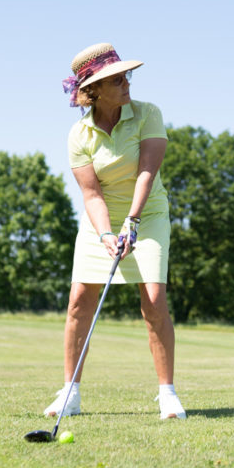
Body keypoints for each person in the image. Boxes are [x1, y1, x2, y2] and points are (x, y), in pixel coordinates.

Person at [43, 42, 185, 420]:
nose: (127, 84)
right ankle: (70, 394)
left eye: (126, 76)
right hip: (100, 222)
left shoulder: (148, 114)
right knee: (78, 303)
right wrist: (107, 234)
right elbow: (91, 195)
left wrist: (132, 222)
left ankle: (167, 395)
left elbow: (147, 172)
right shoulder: (79, 134)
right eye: (117, 79)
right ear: (94, 90)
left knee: (153, 301)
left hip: (147, 215)